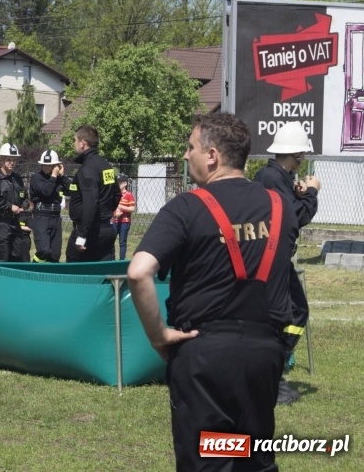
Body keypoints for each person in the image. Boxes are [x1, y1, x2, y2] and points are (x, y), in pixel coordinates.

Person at [127, 113, 298, 471]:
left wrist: (159, 336)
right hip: (264, 354)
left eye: (190, 147)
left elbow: (139, 272)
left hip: (205, 356)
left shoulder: (186, 207)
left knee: (208, 459)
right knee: (252, 457)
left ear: (212, 156)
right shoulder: (281, 206)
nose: (185, 155)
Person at [254, 121, 321, 405]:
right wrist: (312, 192)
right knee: (289, 312)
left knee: (295, 311)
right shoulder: (272, 178)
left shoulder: (275, 177)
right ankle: (272, 373)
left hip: (273, 257)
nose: (303, 158)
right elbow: (295, 218)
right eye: (302, 154)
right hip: (272, 258)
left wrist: (298, 195)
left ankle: (275, 368)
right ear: (295, 154)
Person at [65, 125, 121, 262]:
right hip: (106, 229)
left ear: (82, 143)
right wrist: (105, 211)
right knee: (102, 271)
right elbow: (116, 194)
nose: (74, 144)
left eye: (75, 140)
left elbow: (90, 202)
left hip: (91, 232)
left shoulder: (88, 169)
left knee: (74, 269)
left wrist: (82, 234)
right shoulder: (105, 165)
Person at [0, 143, 27, 262]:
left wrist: (24, 205)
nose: (12, 163)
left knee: (18, 254)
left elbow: (24, 196)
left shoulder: (18, 179)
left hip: (14, 221)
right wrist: (10, 206)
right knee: (3, 256)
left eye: (14, 160)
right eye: (9, 160)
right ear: (2, 160)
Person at [29, 149, 70, 263]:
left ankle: (49, 273)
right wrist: (53, 176)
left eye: (50, 165)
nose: (46, 167)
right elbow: (46, 191)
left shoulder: (59, 179)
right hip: (41, 216)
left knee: (55, 255)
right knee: (44, 251)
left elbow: (72, 191)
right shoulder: (36, 178)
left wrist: (63, 176)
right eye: (44, 165)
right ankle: (35, 267)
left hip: (55, 217)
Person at [112, 173, 136, 260]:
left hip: (124, 222)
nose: (118, 184)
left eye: (120, 182)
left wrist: (121, 207)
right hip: (114, 220)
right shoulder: (113, 194)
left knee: (122, 241)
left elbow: (132, 208)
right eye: (117, 182)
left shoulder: (128, 195)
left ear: (125, 183)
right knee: (111, 240)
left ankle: (121, 260)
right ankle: (112, 260)